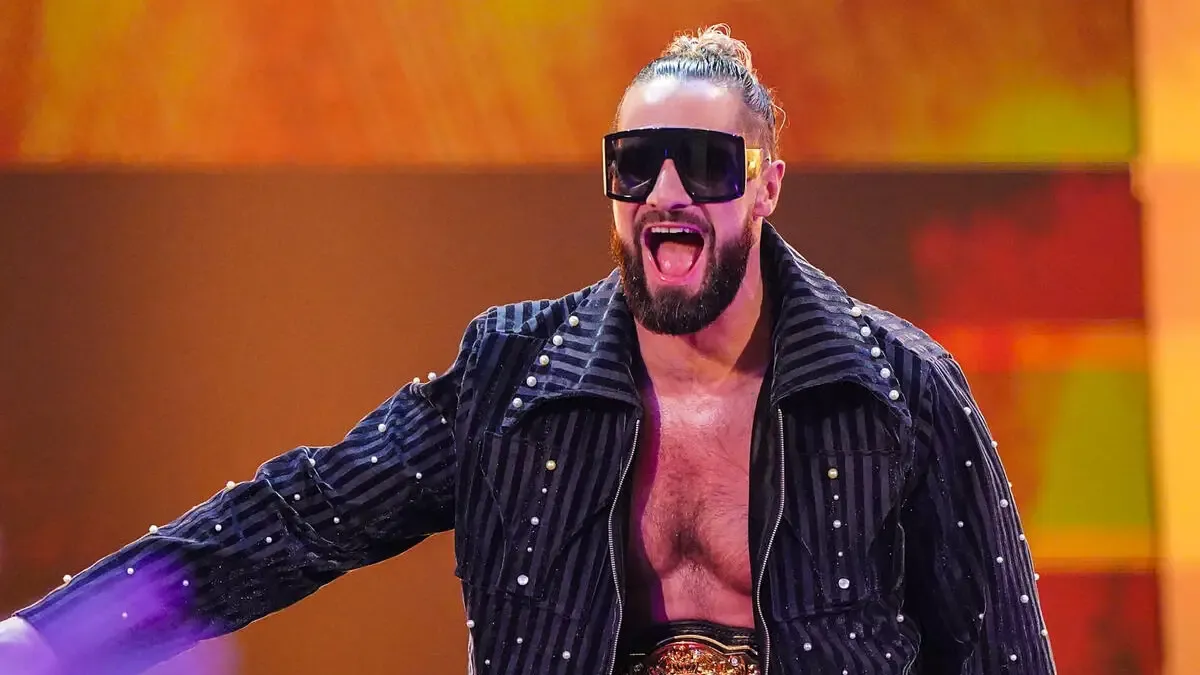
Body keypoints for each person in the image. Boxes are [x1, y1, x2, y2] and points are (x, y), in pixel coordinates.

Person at [0, 24, 1056, 675]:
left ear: (766, 185)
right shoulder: (510, 375)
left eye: (704, 163)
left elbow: (1000, 651)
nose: (668, 193)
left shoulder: (902, 391)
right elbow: (302, 516)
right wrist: (51, 637)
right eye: (636, 164)